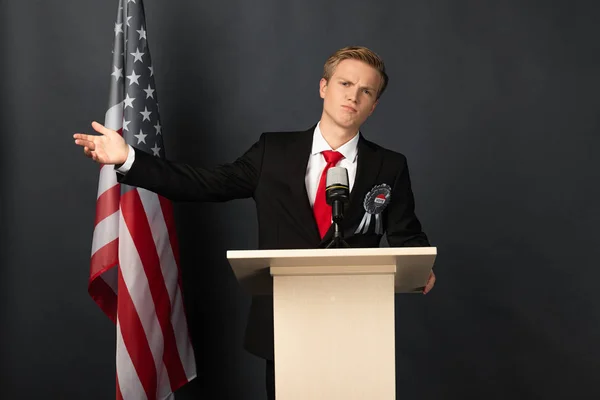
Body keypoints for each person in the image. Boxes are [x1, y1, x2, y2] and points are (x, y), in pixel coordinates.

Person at [74, 46, 435, 400]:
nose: (353, 96)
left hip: (358, 323)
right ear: (324, 87)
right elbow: (204, 184)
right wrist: (129, 159)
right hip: (283, 325)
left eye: (366, 91)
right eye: (345, 84)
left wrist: (421, 262)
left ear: (373, 106)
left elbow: (406, 233)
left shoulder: (390, 165)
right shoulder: (272, 152)